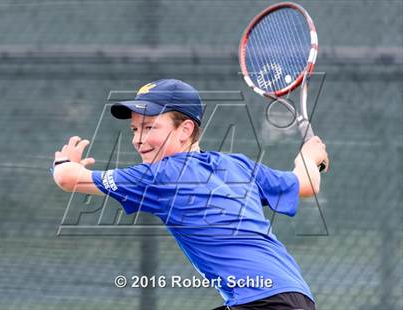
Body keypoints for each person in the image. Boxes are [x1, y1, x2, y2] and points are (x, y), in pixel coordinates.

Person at [52, 79, 329, 310]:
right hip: (293, 294)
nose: (138, 138)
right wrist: (308, 156)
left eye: (150, 127)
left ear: (185, 130)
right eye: (135, 129)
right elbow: (305, 184)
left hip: (261, 303)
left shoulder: (161, 176)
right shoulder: (236, 164)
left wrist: (64, 162)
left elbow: (67, 178)